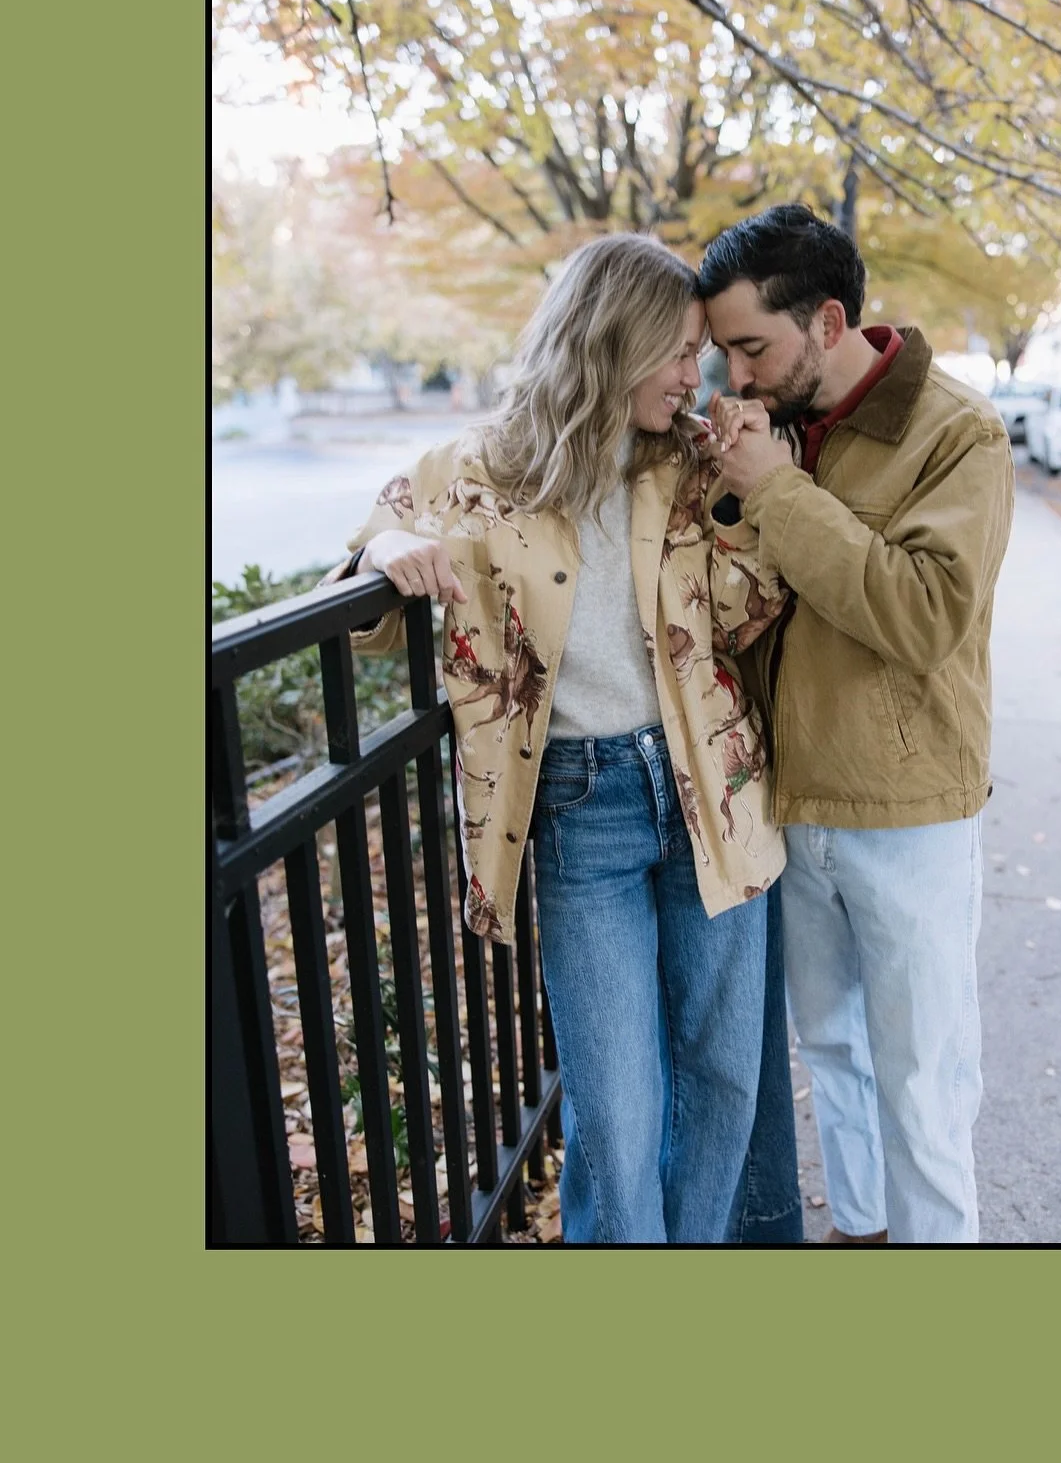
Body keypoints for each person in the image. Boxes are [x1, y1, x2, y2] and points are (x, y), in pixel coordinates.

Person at [324, 234, 791, 1244]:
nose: (692, 374)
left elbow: (753, 612)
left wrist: (756, 492)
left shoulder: (692, 463)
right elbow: (359, 596)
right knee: (616, 1109)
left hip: (714, 792)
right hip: (585, 810)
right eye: (675, 352)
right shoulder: (476, 469)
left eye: (699, 354)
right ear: (608, 342)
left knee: (719, 1080)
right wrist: (386, 546)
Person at [697, 204, 1015, 1244]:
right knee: (832, 1051)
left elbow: (923, 615)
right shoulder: (767, 431)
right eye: (724, 351)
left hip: (909, 807)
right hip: (794, 800)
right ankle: (863, 1232)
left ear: (828, 322)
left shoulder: (956, 432)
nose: (735, 375)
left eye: (753, 346)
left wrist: (780, 493)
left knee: (924, 1080)